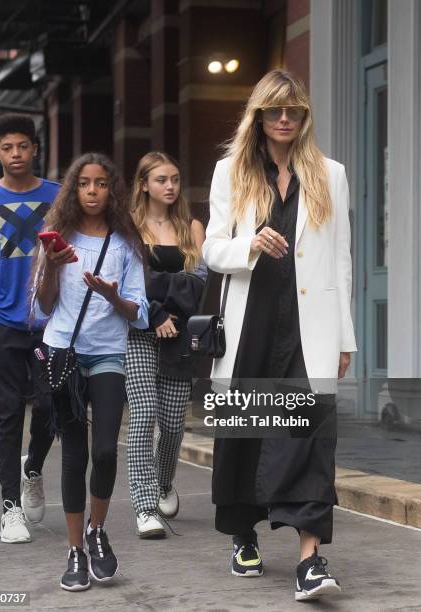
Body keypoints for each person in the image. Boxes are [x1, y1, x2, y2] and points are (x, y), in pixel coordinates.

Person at [202, 69, 357, 601]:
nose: (285, 119)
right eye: (275, 111)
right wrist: (249, 244)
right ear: (260, 117)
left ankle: (310, 560)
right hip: (253, 325)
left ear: (305, 117)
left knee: (313, 438)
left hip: (309, 327)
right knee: (246, 434)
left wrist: (345, 338)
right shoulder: (231, 172)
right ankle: (245, 535)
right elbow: (211, 250)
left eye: (294, 111)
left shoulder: (330, 174)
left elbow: (341, 262)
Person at [32, 152, 147, 591]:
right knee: (75, 454)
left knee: (104, 451)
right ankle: (75, 548)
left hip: (107, 355)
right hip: (64, 351)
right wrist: (52, 271)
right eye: (84, 183)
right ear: (73, 190)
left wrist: (113, 296)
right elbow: (44, 307)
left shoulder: (125, 244)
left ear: (112, 189)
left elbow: (138, 313)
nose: (93, 191)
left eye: (101, 183)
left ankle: (98, 532)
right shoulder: (58, 240)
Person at [0, 113, 60, 543]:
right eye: (7, 148)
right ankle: (11, 509)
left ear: (35, 150)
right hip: (2, 321)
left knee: (49, 406)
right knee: (7, 415)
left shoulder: (57, 196)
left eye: (23, 146)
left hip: (50, 321)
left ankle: (33, 468)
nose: (16, 154)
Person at [126, 151, 206, 538]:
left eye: (175, 178)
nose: (170, 186)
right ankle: (144, 505)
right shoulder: (127, 228)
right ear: (144, 184)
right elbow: (130, 283)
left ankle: (162, 482)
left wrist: (159, 288)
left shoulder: (193, 228)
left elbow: (201, 284)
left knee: (173, 425)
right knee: (144, 416)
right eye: (161, 180)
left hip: (181, 337)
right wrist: (156, 311)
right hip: (139, 333)